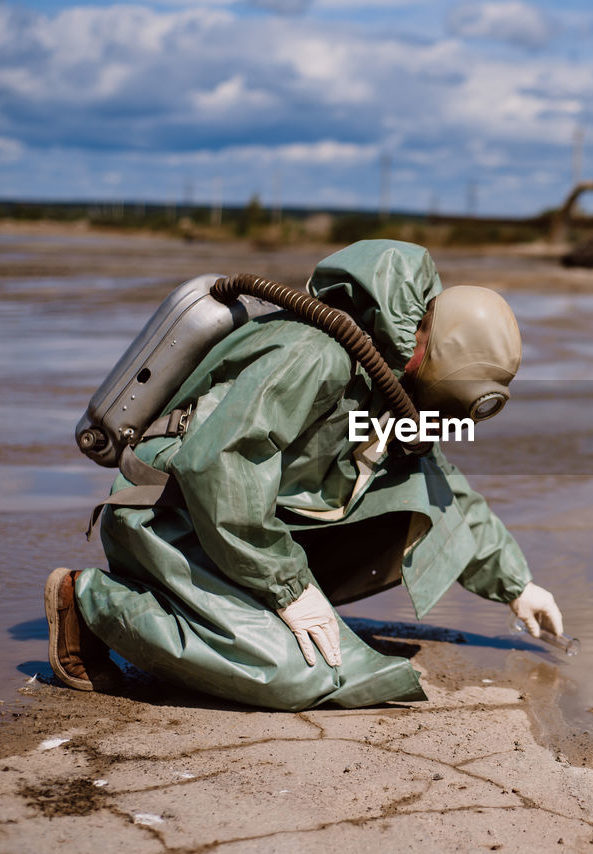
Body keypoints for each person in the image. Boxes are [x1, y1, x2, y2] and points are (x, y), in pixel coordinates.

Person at [45, 240, 564, 710]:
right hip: (171, 521)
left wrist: (518, 587)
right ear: (429, 354)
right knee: (299, 676)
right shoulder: (316, 353)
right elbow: (222, 462)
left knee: (421, 483)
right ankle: (90, 602)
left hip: (238, 525)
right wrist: (290, 588)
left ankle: (239, 611)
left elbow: (441, 487)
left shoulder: (381, 381)